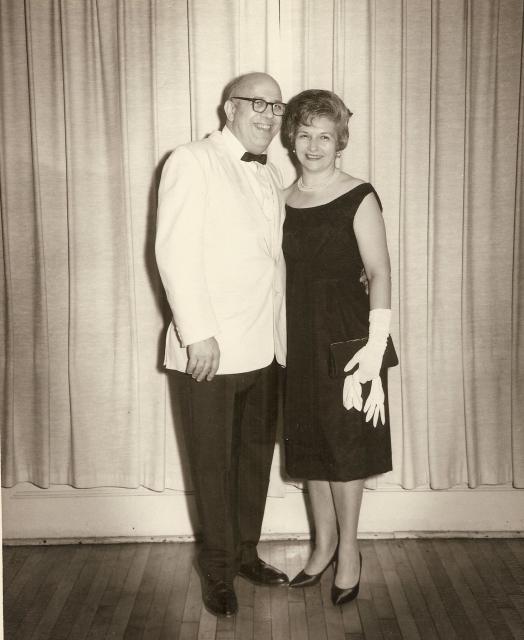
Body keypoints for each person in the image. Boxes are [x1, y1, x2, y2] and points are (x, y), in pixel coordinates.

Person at [155, 72, 289, 618]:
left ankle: (244, 554)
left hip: (266, 346)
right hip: (209, 349)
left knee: (254, 460)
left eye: (277, 106)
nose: (269, 114)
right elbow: (174, 251)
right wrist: (197, 334)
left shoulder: (271, 171)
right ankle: (216, 570)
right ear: (229, 109)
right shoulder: (191, 160)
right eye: (258, 103)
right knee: (212, 465)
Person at [281, 89, 394, 606]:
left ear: (340, 141)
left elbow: (379, 272)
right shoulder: (280, 199)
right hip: (297, 338)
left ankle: (349, 551)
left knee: (346, 447)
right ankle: (323, 545)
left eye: (324, 136)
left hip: (350, 340)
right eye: (305, 134)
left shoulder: (358, 194)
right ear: (291, 138)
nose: (313, 145)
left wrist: (376, 346)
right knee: (311, 445)